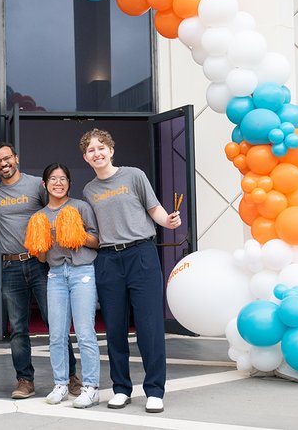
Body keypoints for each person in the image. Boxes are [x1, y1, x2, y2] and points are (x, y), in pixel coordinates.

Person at [80, 129, 181, 414]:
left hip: (141, 254)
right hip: (108, 259)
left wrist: (169, 221)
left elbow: (155, 209)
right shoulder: (89, 191)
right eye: (90, 150)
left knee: (149, 325)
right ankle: (121, 388)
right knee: (114, 327)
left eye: (101, 147)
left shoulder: (134, 175)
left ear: (111, 150)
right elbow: (94, 231)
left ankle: (154, 390)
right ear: (85, 158)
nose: (97, 153)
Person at [0, 142, 79, 399]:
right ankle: (25, 380)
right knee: (18, 327)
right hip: (10, 265)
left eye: (7, 158)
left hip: (39, 263)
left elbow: (54, 210)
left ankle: (71, 377)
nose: (4, 164)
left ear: (16, 158)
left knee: (56, 322)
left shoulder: (35, 185)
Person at [35, 163, 101, 409]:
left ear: (69, 183)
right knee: (57, 334)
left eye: (63, 178)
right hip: (55, 275)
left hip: (82, 272)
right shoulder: (39, 216)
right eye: (53, 178)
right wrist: (42, 243)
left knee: (85, 333)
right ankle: (60, 384)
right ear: (45, 184)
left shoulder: (81, 207)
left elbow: (97, 241)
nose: (58, 183)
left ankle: (91, 387)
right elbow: (41, 258)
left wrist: (75, 234)